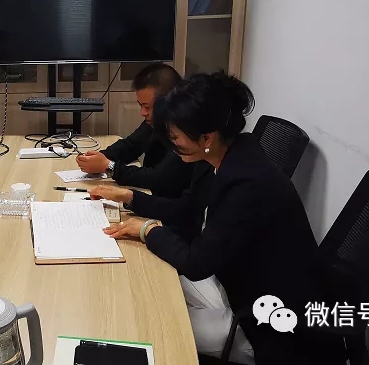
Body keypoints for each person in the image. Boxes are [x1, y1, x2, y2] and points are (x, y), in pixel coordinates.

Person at [88, 73, 344, 365]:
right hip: (232, 284)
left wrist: (148, 229)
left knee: (145, 324)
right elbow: (187, 209)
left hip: (265, 325)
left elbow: (196, 263)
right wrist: (130, 198)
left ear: (207, 137)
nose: (172, 144)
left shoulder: (247, 184)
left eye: (175, 137)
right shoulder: (227, 155)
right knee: (142, 287)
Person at [75, 62, 197, 198]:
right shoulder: (156, 122)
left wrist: (109, 167)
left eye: (147, 107)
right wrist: (97, 158)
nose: (142, 113)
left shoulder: (185, 133)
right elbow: (131, 145)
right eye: (140, 105)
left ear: (168, 101)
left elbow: (159, 178)